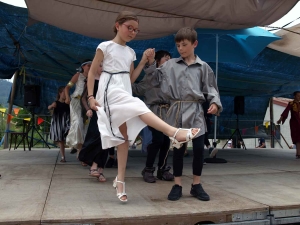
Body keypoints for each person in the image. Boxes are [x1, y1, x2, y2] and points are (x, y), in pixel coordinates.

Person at [87, 11, 200, 203]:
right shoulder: (105, 46)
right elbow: (91, 73)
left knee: (123, 139)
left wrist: (142, 62)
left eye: (136, 30)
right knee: (139, 105)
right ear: (117, 25)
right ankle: (174, 132)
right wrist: (90, 96)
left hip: (123, 89)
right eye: (129, 27)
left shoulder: (130, 52)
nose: (132, 32)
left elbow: (130, 79)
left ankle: (120, 181)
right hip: (109, 90)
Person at [144, 27, 222, 201]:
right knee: (178, 150)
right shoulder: (170, 65)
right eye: (178, 45)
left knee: (199, 150)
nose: (180, 48)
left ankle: (196, 184)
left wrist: (215, 103)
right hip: (176, 111)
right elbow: (154, 80)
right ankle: (177, 184)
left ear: (194, 44)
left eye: (184, 44)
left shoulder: (204, 67)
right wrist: (149, 64)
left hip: (196, 112)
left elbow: (211, 88)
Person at [132, 50, 174, 183]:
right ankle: (148, 169)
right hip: (154, 112)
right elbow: (137, 89)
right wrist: (125, 81)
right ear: (157, 61)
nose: (168, 61)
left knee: (166, 142)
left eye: (169, 59)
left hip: (167, 112)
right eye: (165, 58)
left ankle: (162, 170)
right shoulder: (150, 76)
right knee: (158, 139)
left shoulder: (170, 77)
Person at [78, 63, 115, 182]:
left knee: (106, 141)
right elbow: (83, 98)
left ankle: (99, 170)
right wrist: (88, 109)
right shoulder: (92, 80)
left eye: (103, 65)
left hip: (109, 114)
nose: (102, 68)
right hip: (97, 113)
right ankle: (94, 167)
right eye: (99, 65)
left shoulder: (111, 80)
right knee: (97, 139)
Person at [65, 59, 91, 162]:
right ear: (83, 66)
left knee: (86, 127)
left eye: (91, 66)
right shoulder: (78, 75)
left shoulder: (93, 77)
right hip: (76, 101)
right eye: (88, 65)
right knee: (78, 123)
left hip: (87, 103)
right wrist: (67, 98)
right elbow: (67, 87)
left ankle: (82, 151)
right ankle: (79, 150)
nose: (90, 67)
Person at [48, 86, 70, 162]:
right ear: (60, 93)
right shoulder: (56, 103)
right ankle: (63, 157)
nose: (66, 94)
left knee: (71, 137)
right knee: (61, 141)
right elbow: (49, 107)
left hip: (66, 123)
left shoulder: (68, 103)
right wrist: (51, 106)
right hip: (58, 124)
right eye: (64, 92)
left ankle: (76, 150)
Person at [277, 91, 300, 158]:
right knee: (297, 138)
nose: (299, 97)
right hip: (294, 123)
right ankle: (298, 153)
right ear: (294, 96)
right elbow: (285, 112)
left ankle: (298, 154)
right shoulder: (291, 103)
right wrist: (280, 119)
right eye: (298, 95)